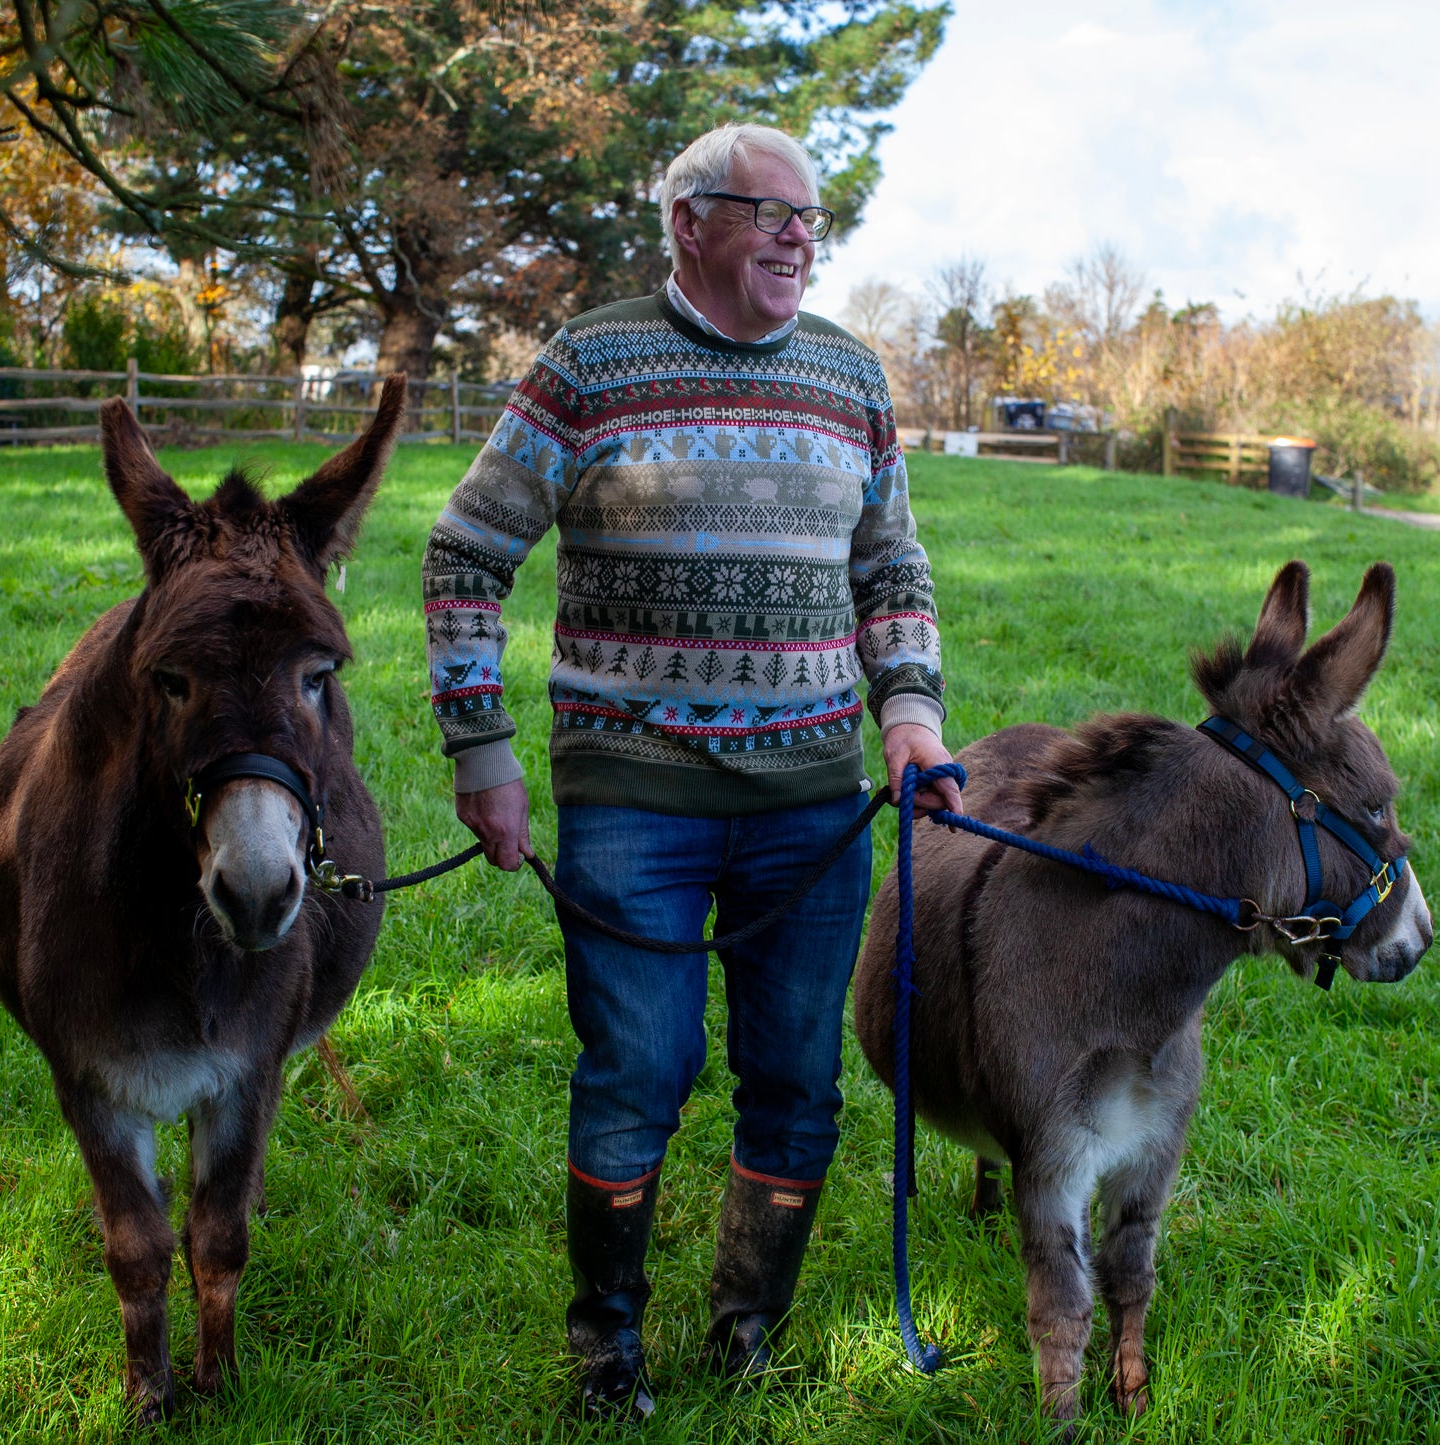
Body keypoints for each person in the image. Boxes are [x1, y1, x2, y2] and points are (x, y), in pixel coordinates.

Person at [421, 121, 963, 1419]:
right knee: (638, 1070)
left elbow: (889, 566)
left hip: (815, 807)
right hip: (632, 802)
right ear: (687, 224)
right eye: (766, 210)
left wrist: (910, 716)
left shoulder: (849, 375)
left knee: (794, 1076)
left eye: (810, 216)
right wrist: (481, 748)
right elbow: (463, 551)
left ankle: (744, 1330)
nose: (797, 233)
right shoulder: (592, 360)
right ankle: (606, 1335)